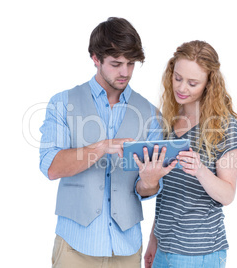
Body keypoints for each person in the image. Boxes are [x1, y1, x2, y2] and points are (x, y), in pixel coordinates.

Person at [39, 17, 175, 268]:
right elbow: (51, 166)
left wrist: (149, 181)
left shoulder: (150, 114)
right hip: (74, 247)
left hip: (126, 249)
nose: (125, 72)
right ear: (95, 58)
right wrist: (101, 147)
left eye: (131, 63)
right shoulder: (62, 103)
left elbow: (148, 190)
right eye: (116, 64)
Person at [144, 40, 237, 268]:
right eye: (177, 78)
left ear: (209, 84)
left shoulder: (223, 126)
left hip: (199, 254)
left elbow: (228, 195)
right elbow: (166, 194)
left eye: (192, 83)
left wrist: (201, 171)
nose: (181, 88)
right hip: (164, 248)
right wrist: (153, 240)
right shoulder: (169, 121)